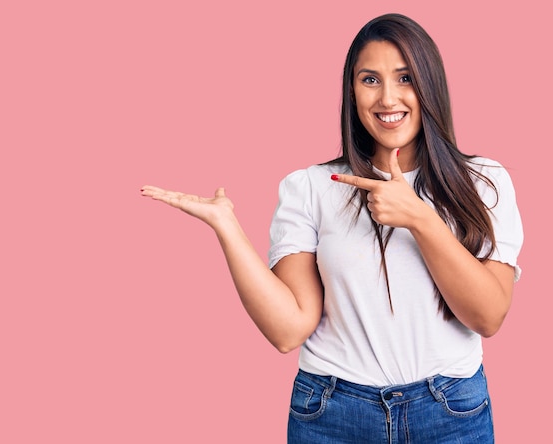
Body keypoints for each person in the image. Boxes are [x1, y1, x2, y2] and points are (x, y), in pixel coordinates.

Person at [140, 13, 523, 443]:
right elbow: (288, 330)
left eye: (405, 78)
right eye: (370, 80)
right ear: (351, 92)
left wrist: (418, 216)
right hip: (333, 414)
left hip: (449, 413)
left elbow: (488, 315)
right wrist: (227, 227)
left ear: (429, 86)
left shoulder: (482, 183)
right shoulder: (311, 188)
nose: (388, 98)